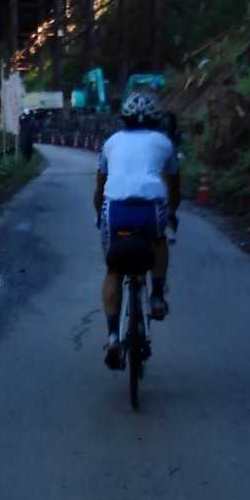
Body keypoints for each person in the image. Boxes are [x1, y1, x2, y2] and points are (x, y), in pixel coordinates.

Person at [93, 90, 180, 369]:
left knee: (113, 270)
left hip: (115, 209)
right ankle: (156, 296)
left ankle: (113, 337)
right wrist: (172, 214)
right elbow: (174, 188)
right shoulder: (165, 143)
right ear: (156, 119)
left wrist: (98, 216)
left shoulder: (110, 142)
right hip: (150, 207)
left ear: (124, 118)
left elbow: (99, 187)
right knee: (160, 240)